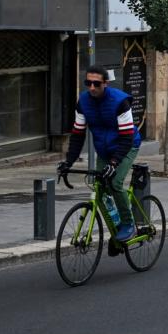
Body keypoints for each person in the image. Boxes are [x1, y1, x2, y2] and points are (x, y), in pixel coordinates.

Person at [57, 65, 142, 241]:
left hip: (126, 146)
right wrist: (69, 162)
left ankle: (128, 224)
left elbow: (126, 138)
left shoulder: (120, 102)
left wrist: (114, 163)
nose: (92, 88)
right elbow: (78, 134)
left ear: (106, 83)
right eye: (88, 83)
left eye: (96, 84)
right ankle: (117, 230)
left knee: (115, 183)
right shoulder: (83, 102)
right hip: (104, 150)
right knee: (100, 190)